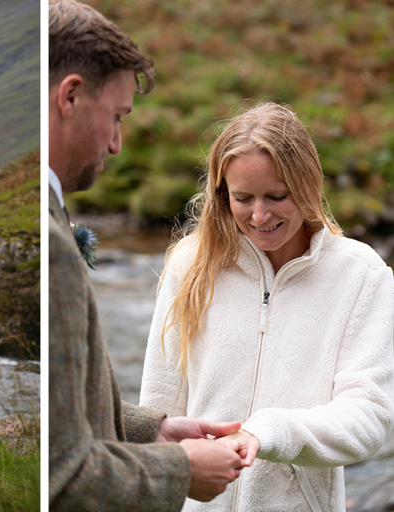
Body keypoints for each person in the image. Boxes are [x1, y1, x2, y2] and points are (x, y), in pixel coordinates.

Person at [140, 102, 394, 511]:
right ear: (222, 194)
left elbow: (368, 420)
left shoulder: (362, 275)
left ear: (308, 184)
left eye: (278, 196)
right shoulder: (189, 265)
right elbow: (159, 410)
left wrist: (268, 434)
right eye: (243, 198)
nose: (260, 215)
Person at [48, 1, 244, 510]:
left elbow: (62, 404)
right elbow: (65, 478)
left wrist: (147, 428)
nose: (116, 144)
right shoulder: (49, 242)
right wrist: (180, 469)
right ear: (70, 95)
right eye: (115, 117)